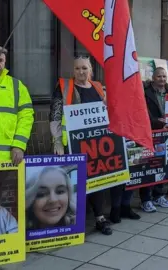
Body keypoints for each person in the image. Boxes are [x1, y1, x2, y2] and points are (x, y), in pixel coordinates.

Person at [49, 56, 128, 235]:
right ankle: (75, 222)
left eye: (84, 68)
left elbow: (108, 111)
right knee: (76, 181)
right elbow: (55, 115)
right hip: (72, 143)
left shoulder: (98, 88)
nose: (81, 72)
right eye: (77, 68)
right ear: (73, 70)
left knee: (97, 179)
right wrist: (56, 140)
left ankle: (100, 218)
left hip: (96, 143)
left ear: (90, 70)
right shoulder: (64, 87)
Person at [141, 67, 168, 212]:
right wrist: (160, 122)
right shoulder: (145, 93)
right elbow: (144, 114)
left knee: (162, 164)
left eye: (164, 76)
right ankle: (146, 200)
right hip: (150, 133)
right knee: (148, 166)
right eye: (159, 76)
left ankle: (158, 195)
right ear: (153, 78)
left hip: (166, 135)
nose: (162, 79)